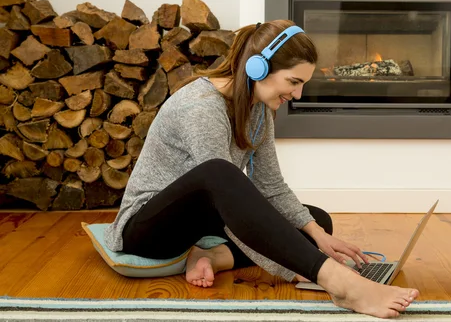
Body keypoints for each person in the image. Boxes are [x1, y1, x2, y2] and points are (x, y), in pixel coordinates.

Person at [104, 19, 419, 318]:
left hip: (199, 222)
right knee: (220, 173)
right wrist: (298, 268)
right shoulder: (200, 108)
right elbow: (222, 197)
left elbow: (271, 187)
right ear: (258, 67)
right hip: (147, 229)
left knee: (315, 222)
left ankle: (209, 256)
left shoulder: (258, 109)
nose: (297, 95)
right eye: (293, 82)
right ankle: (340, 283)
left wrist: (316, 234)